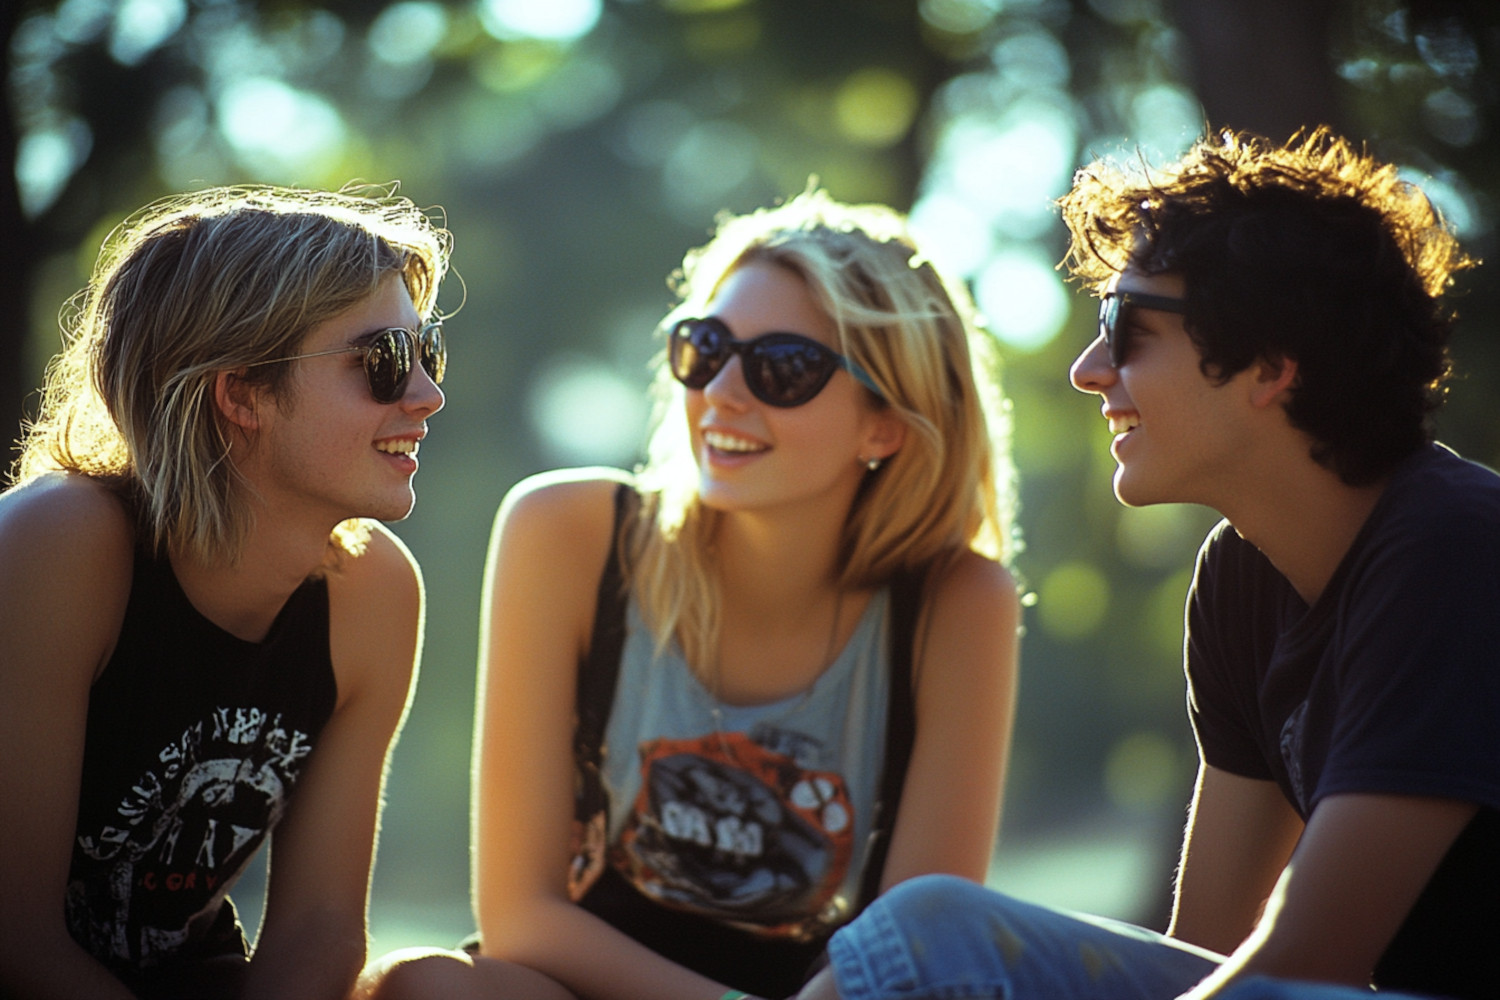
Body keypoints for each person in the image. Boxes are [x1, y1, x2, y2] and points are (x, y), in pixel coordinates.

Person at [791, 127, 1498, 1000]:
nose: (1089, 370)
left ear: (1270, 367)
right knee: (933, 931)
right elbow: (1205, 949)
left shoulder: (1456, 549)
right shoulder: (1243, 577)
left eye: (1126, 328)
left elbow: (1306, 965)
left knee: (935, 944)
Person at [360, 188, 1022, 1000]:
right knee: (420, 987)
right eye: (705, 348)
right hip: (584, 985)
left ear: (885, 422)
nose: (723, 392)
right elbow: (521, 919)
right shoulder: (568, 533)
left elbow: (917, 953)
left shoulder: (957, 603)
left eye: (784, 368)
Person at [0, 184, 452, 999]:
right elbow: (14, 938)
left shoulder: (373, 593)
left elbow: (319, 931)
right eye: (385, 362)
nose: (427, 395)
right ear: (240, 391)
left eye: (428, 354)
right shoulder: (57, 545)